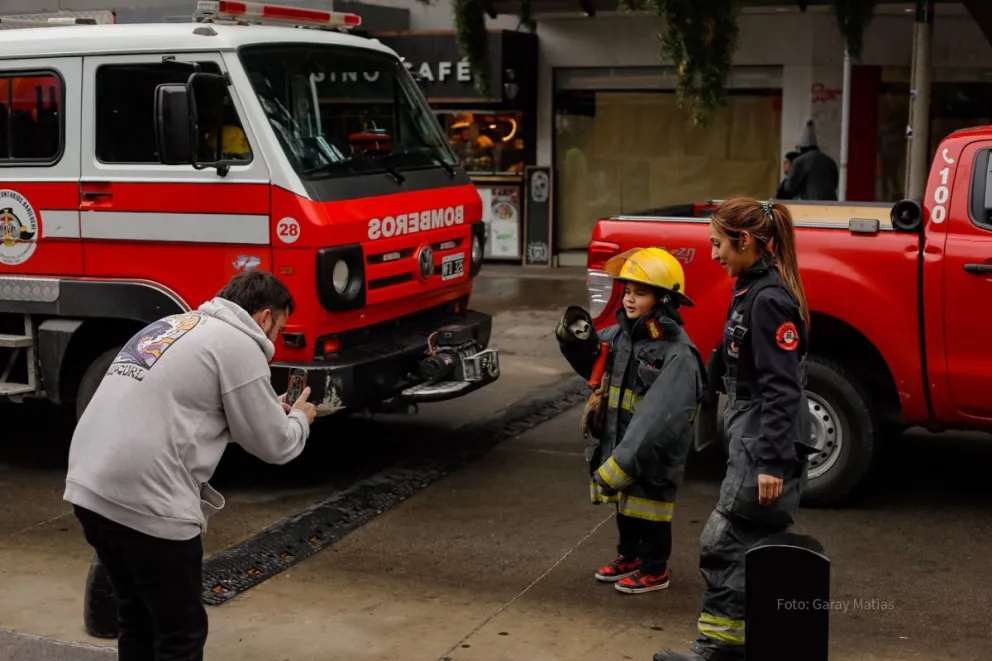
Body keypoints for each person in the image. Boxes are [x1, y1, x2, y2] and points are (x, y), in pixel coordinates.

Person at [64, 270, 317, 661]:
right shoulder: (239, 343)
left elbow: (187, 414)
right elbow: (276, 445)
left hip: (89, 489)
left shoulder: (173, 325)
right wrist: (300, 418)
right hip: (149, 504)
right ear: (265, 316)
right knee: (180, 635)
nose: (275, 341)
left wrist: (266, 411)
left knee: (136, 618)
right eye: (279, 330)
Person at [654, 199, 816, 661]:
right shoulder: (752, 289)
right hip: (753, 431)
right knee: (750, 546)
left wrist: (771, 462)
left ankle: (718, 651)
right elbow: (737, 361)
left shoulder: (768, 300)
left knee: (726, 542)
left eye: (718, 244)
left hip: (763, 437)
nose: (713, 254)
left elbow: (781, 388)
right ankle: (739, 647)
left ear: (744, 241)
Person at [556, 247, 707, 595]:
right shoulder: (621, 336)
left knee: (651, 510)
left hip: (653, 454)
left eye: (640, 293)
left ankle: (655, 569)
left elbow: (658, 418)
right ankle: (629, 557)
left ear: (664, 300)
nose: (628, 299)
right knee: (626, 506)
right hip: (623, 443)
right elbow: (591, 361)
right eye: (627, 291)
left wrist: (621, 461)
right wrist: (573, 336)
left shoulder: (679, 355)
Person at [778, 118, 838, 201]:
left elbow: (789, 188)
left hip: (812, 204)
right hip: (832, 203)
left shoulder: (800, 161)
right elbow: (834, 184)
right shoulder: (829, 161)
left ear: (801, 148)